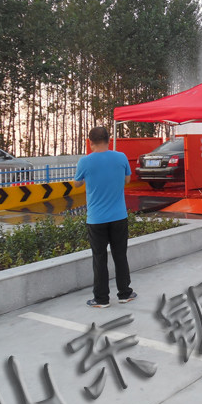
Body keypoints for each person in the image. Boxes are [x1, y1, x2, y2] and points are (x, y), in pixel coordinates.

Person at [73, 126, 136, 308]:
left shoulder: (85, 161)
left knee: (99, 258)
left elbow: (77, 183)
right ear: (109, 140)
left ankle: (101, 299)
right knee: (120, 255)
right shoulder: (121, 157)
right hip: (119, 216)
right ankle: (125, 293)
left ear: (90, 142)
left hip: (96, 219)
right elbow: (127, 180)